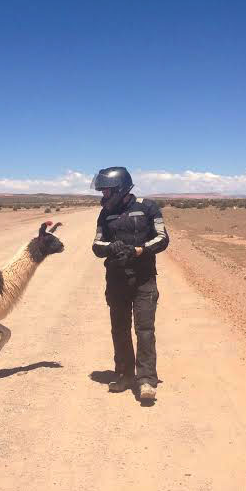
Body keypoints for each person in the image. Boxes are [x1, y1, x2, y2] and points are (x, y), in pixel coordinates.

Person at [91, 166, 169, 401]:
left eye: (106, 191)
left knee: (145, 330)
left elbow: (163, 238)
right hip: (116, 280)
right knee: (120, 329)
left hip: (144, 278)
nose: (104, 196)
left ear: (120, 189)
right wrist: (111, 247)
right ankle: (124, 376)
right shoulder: (106, 213)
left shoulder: (147, 207)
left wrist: (139, 250)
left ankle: (146, 380)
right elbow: (96, 246)